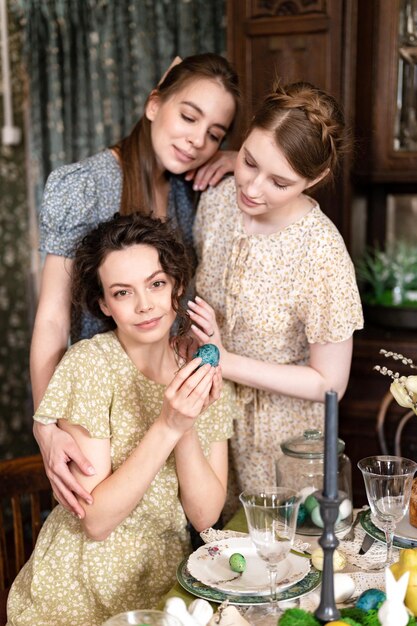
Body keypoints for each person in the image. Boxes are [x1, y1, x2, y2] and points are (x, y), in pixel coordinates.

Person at [30, 53, 240, 517]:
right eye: (188, 117)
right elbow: (51, 317)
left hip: (166, 396)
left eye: (214, 135)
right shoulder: (85, 184)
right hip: (99, 419)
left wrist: (236, 159)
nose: (196, 141)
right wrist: (47, 425)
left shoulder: (189, 189)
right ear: (153, 105)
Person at [7, 213, 236, 626]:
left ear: (177, 288)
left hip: (164, 589)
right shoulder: (90, 365)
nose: (144, 304)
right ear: (103, 304)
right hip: (77, 594)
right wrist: (167, 424)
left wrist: (183, 426)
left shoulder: (203, 371)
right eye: (122, 292)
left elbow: (205, 517)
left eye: (156, 284)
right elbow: (96, 520)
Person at [186, 81, 364, 517]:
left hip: (284, 445)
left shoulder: (321, 252)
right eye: (249, 161)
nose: (253, 188)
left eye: (280, 181)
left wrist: (226, 362)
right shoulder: (217, 202)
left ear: (314, 180)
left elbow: (329, 383)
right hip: (211, 425)